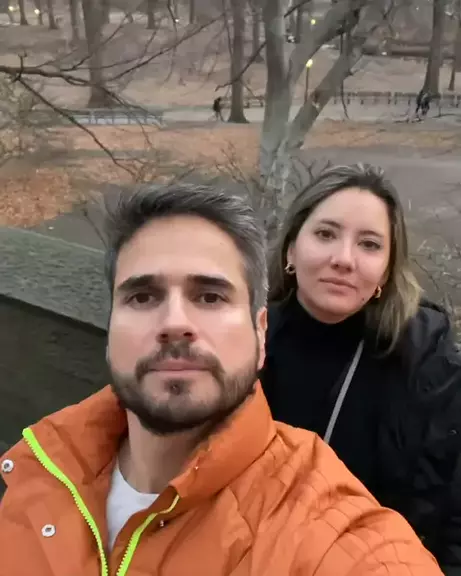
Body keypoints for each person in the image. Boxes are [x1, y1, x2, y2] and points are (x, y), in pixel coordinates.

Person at [0, 183, 441, 575]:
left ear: (260, 334)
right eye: (143, 296)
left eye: (210, 296)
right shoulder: (38, 473)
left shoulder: (331, 536)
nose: (174, 322)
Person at [261, 164, 461, 574]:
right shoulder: (240, 343)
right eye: (325, 234)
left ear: (386, 269)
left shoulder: (428, 367)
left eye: (369, 244)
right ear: (291, 250)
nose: (343, 259)